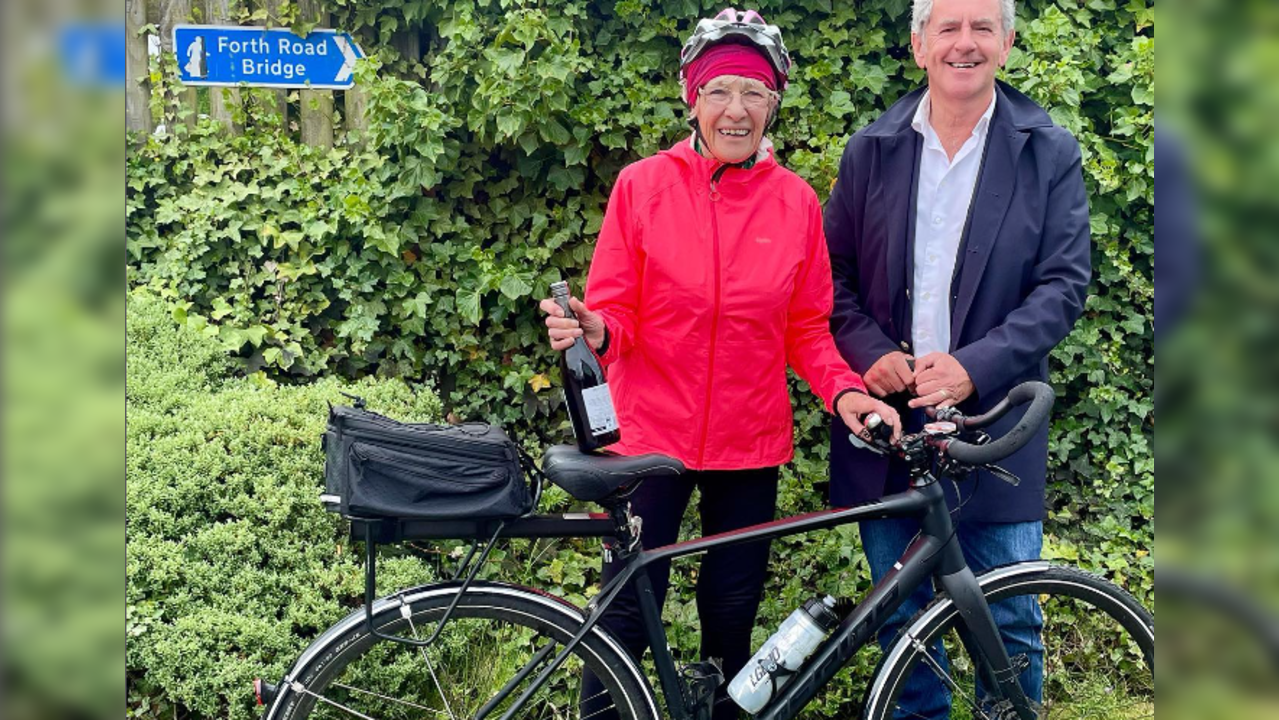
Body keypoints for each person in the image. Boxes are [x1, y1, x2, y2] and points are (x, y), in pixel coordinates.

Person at [538, 9, 899, 720]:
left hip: (746, 441)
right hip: (648, 439)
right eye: (720, 91)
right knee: (625, 616)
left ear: (774, 104)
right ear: (691, 98)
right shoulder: (641, 186)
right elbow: (618, 319)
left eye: (754, 93)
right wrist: (592, 327)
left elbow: (806, 328)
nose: (736, 110)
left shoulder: (795, 201)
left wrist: (846, 394)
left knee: (731, 617)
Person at [823, 0, 1092, 716]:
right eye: (947, 27)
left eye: (982, 28)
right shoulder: (870, 148)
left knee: (1007, 623)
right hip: (891, 429)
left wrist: (976, 363)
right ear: (918, 46)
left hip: (996, 424)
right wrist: (871, 352)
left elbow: (1064, 284)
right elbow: (829, 279)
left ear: (1005, 44)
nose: (963, 43)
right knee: (904, 631)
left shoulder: (1047, 150)